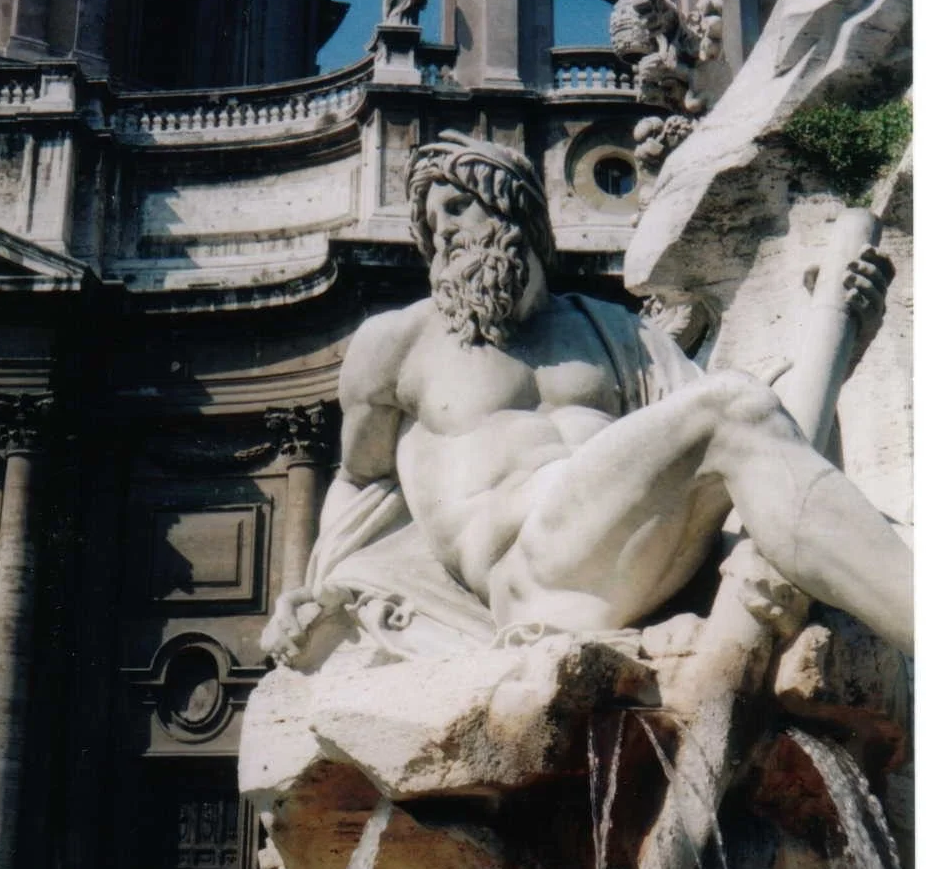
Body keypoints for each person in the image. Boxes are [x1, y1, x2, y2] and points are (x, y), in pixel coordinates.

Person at [264, 132, 912, 665]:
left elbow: (767, 442)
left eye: (457, 209)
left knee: (742, 414)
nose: (444, 234)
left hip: (643, 559)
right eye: (432, 226)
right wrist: (313, 590)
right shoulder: (397, 342)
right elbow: (361, 480)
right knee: (731, 407)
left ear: (513, 210)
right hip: (526, 576)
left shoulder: (614, 331)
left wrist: (843, 338)